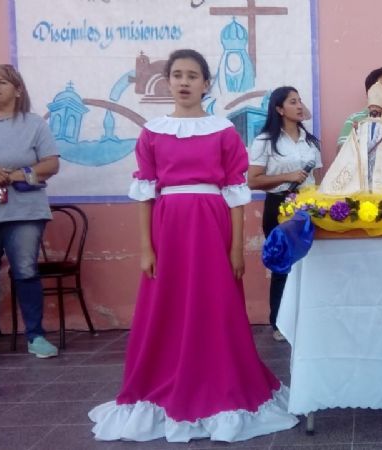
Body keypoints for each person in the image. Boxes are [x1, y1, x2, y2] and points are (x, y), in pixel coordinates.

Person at [89, 49, 297, 442]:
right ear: (168, 81)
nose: (184, 82)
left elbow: (235, 193)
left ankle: (220, 380)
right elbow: (145, 194)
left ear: (205, 83)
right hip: (168, 228)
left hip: (212, 227)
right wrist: (146, 248)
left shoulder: (223, 132)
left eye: (193, 76)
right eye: (178, 75)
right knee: (166, 307)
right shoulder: (153, 132)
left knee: (215, 305)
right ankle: (164, 378)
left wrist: (236, 248)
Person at [0, 64, 60, 362]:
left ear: (18, 90)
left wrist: (14, 175)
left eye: (3, 82)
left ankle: (36, 336)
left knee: (25, 270)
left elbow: (51, 164)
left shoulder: (34, 124)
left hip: (25, 212)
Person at [247, 86, 322, 342]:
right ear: (279, 109)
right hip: (279, 206)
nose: (299, 106)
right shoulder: (265, 141)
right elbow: (253, 181)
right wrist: (287, 176)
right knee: (283, 266)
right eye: (292, 102)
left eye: (300, 101)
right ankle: (278, 322)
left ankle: (308, 318)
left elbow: (317, 178)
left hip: (308, 206)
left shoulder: (310, 141)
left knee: (310, 263)